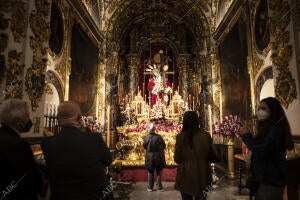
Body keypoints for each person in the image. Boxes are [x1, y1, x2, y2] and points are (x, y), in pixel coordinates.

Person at [42, 101, 113, 200]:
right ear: (79, 118)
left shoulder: (47, 143)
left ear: (58, 118)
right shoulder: (94, 139)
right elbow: (108, 161)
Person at [240, 97, 294, 200]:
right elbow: (261, 146)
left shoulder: (275, 129)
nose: (260, 111)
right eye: (259, 108)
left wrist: (246, 137)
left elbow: (262, 150)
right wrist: (249, 135)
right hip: (265, 180)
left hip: (271, 181)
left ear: (273, 111)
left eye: (263, 108)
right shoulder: (268, 127)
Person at [0, 99, 42, 200]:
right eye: (27, 117)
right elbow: (31, 181)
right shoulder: (19, 146)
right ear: (18, 121)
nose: (29, 121)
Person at [174, 111, 218, 200]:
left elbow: (177, 158)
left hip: (186, 175)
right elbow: (214, 155)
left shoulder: (180, 137)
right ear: (197, 121)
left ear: (184, 122)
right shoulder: (205, 135)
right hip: (203, 173)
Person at [143, 123, 166, 192]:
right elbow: (164, 146)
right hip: (158, 156)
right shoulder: (159, 137)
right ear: (154, 129)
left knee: (150, 172)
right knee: (159, 172)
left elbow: (144, 146)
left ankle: (150, 187)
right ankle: (159, 187)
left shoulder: (146, 137)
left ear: (149, 130)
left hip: (149, 157)